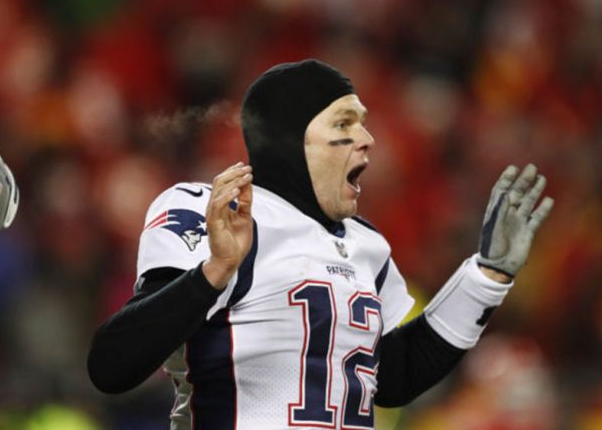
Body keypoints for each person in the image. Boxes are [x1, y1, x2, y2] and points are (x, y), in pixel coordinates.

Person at [87, 59, 553, 430]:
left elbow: (394, 377)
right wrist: (214, 270)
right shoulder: (214, 210)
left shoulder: (366, 244)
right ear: (292, 139)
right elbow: (112, 365)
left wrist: (487, 277)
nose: (368, 139)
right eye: (345, 123)